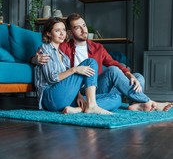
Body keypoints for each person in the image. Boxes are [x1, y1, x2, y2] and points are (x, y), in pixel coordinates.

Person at [32, 13, 173, 112]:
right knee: (111, 74)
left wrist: (130, 75)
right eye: (77, 27)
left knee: (137, 78)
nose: (83, 30)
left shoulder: (97, 47)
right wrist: (33, 59)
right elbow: (45, 57)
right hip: (76, 89)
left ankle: (136, 104)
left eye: (84, 25)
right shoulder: (63, 46)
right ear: (70, 32)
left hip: (94, 86)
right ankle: (148, 102)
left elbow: (113, 62)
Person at [34, 17, 122, 114]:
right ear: (48, 33)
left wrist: (79, 95)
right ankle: (91, 106)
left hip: (65, 97)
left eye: (63, 30)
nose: (62, 33)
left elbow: (68, 82)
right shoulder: (45, 49)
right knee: (90, 62)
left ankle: (81, 109)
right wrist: (75, 69)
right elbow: (52, 78)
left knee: (116, 98)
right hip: (50, 98)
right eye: (57, 30)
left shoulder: (64, 57)